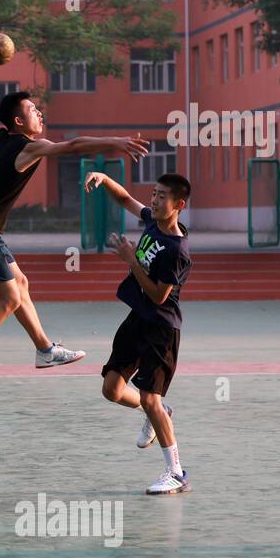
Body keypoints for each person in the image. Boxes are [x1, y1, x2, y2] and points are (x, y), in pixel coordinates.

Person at [0, 91, 150, 392]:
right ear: (18, 121)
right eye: (31, 109)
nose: (39, 113)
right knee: (9, 298)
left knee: (21, 285)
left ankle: (45, 350)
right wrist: (115, 142)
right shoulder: (28, 147)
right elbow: (74, 145)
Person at [87, 170, 193, 495]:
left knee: (149, 397)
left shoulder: (176, 250)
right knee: (111, 389)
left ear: (179, 204)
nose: (155, 200)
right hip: (138, 321)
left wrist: (131, 259)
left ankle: (176, 473)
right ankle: (160, 411)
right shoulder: (151, 222)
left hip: (161, 329)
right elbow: (124, 199)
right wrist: (104, 179)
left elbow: (158, 295)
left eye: (163, 196)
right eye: (155, 193)